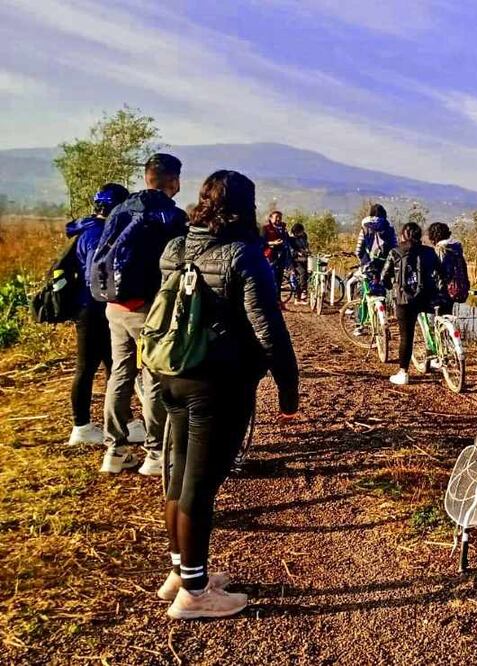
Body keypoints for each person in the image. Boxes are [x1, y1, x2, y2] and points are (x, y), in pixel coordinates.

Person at [156, 170, 299, 620]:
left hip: (170, 374)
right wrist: (288, 386)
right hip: (217, 384)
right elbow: (268, 328)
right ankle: (195, 595)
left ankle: (182, 573)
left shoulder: (176, 246)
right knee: (201, 484)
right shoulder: (244, 255)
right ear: (246, 206)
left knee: (179, 475)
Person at [94, 153, 187, 475]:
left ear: (147, 177)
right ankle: (156, 454)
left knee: (120, 373)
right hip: (149, 310)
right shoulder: (171, 217)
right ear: (173, 180)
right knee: (154, 378)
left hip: (113, 306)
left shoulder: (121, 209)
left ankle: (115, 450)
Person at [65, 183, 128, 446]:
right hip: (95, 308)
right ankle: (81, 426)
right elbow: (99, 274)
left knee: (113, 365)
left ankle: (120, 422)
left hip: (89, 306)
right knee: (91, 367)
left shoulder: (87, 230)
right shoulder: (100, 234)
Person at [381, 222, 440, 385]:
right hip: (427, 298)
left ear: (403, 235)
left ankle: (403, 372)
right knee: (434, 326)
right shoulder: (429, 252)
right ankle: (438, 358)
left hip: (404, 300)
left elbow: (384, 277)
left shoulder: (396, 251)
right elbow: (440, 273)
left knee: (406, 337)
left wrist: (391, 287)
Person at [427, 221, 468, 316]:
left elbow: (437, 271)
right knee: (447, 315)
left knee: (438, 316)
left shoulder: (441, 249)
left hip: (443, 290)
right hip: (457, 288)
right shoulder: (456, 249)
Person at [355, 203, 397, 288]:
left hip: (368, 265)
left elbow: (359, 250)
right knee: (385, 289)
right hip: (385, 266)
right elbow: (395, 248)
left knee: (364, 288)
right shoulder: (389, 229)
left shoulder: (365, 228)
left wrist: (362, 261)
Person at [262, 211, 292, 303]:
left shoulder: (283, 229)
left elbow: (288, 241)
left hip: (282, 257)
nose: (278, 219)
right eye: (276, 217)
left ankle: (278, 302)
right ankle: (270, 302)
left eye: (280, 217)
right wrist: (272, 243)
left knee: (279, 281)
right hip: (270, 256)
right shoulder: (266, 229)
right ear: (271, 218)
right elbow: (261, 242)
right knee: (272, 280)